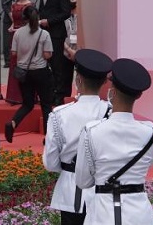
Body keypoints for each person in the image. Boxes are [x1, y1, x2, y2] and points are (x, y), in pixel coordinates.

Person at [76, 58, 153, 225]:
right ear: (139, 95)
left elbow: (83, 181)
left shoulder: (92, 131)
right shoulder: (151, 133)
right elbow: (147, 164)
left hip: (103, 213)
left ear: (111, 91)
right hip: (140, 214)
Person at [43, 49, 113, 225]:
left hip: (70, 190)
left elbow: (51, 163)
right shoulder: (111, 113)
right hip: (104, 192)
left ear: (78, 80)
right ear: (104, 82)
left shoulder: (59, 115)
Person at [6, 6, 54, 142]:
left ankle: (13, 123)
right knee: (46, 104)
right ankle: (48, 137)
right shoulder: (44, 34)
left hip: (24, 73)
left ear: (24, 18)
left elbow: (14, 53)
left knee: (27, 104)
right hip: (40, 72)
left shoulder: (18, 33)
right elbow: (47, 55)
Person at [38, 0, 73, 105]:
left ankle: (59, 94)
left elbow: (65, 13)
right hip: (43, 32)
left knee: (57, 64)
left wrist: (50, 21)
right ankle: (48, 92)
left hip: (56, 32)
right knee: (46, 63)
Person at [6, 0, 34, 104]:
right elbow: (14, 21)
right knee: (14, 64)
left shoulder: (31, 5)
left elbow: (31, 24)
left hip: (26, 37)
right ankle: (14, 96)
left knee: (25, 65)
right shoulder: (14, 5)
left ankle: (26, 96)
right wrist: (12, 27)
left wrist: (20, 30)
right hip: (14, 37)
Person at [0, 0, 20, 68]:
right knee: (7, 41)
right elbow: (4, 5)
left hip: (20, 20)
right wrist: (11, 15)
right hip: (8, 20)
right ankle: (7, 61)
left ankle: (17, 61)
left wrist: (16, 17)